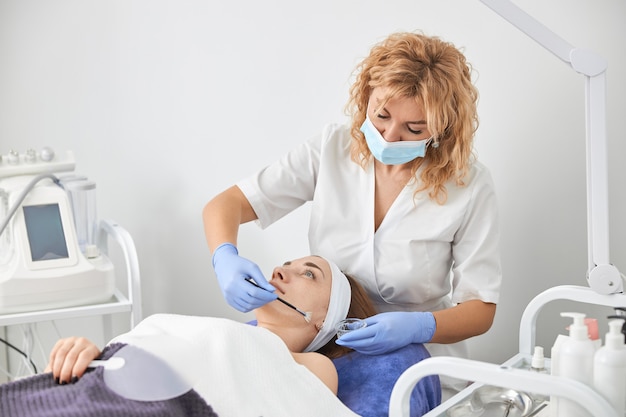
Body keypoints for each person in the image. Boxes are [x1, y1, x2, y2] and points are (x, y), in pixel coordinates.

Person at [203, 31, 502, 398]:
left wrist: (418, 327)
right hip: (320, 340)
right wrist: (224, 257)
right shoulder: (332, 148)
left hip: (417, 359)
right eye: (381, 115)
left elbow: (480, 308)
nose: (390, 137)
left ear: (442, 128)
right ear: (366, 98)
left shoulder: (468, 185)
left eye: (414, 129)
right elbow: (226, 205)